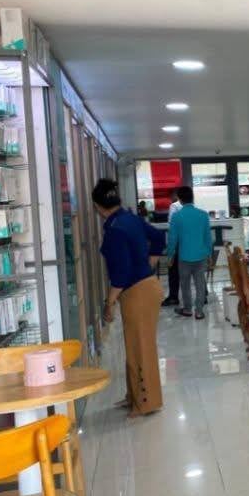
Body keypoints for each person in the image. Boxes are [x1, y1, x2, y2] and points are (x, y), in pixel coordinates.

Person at [92, 178, 164, 418]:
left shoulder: (115, 230)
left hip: (137, 292)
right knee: (135, 347)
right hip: (145, 288)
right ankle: (134, 396)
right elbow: (158, 237)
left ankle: (146, 402)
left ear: (98, 207)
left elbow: (120, 274)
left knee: (141, 348)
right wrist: (149, 264)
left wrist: (109, 303)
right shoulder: (130, 219)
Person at [165, 186, 213, 320]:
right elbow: (208, 237)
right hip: (201, 256)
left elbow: (172, 238)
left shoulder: (176, 216)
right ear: (192, 198)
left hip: (184, 256)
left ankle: (187, 309)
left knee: (185, 284)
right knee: (200, 284)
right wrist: (209, 254)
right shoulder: (203, 215)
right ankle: (199, 311)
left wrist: (170, 255)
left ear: (179, 200)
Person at [162, 189, 182, 306]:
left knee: (173, 271)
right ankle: (203, 294)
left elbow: (172, 227)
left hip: (178, 243)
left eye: (171, 196)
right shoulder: (193, 207)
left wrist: (171, 250)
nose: (170, 199)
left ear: (176, 195)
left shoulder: (174, 206)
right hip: (192, 244)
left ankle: (173, 297)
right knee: (195, 269)